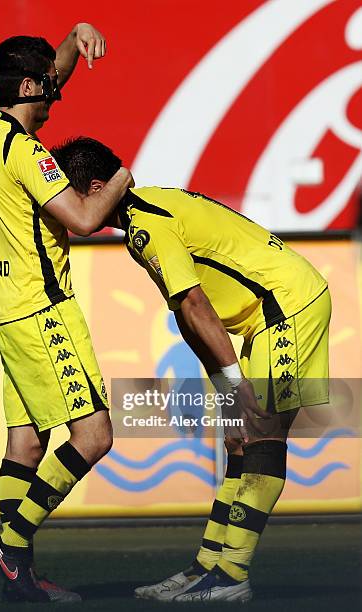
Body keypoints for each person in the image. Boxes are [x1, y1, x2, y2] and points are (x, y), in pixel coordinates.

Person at [51, 137, 331, 603]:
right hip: (268, 313)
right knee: (241, 439)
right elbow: (187, 316)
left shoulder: (146, 229)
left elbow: (196, 303)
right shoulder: (145, 212)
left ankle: (232, 574)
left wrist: (236, 384)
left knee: (262, 434)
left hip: (288, 307)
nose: (61, 207)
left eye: (68, 194)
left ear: (97, 187)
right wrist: (227, 389)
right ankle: (207, 568)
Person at [0, 30, 133, 603]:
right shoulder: (28, 152)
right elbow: (87, 217)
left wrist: (73, 37)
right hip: (45, 313)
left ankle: (18, 581)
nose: (56, 97)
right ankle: (12, 546)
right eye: (48, 87)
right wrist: (121, 177)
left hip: (9, 313)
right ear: (26, 86)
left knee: (25, 447)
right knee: (94, 436)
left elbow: (50, 78)